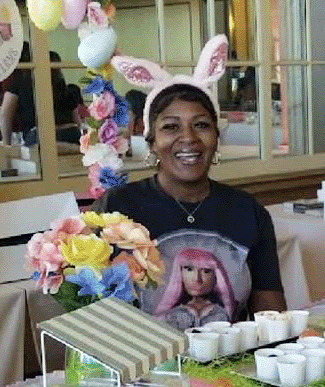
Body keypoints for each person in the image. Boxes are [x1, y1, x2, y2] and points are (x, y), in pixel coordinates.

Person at [94, 34, 286, 328]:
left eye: (201, 125)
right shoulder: (117, 209)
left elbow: (272, 319)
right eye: (171, 127)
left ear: (216, 139)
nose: (189, 138)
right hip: (144, 369)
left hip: (229, 366)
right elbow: (93, 321)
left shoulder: (249, 212)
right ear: (152, 141)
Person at [155, 247, 236, 329]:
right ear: (179, 273)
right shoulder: (172, 313)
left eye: (206, 271)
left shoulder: (221, 311)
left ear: (216, 277)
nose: (197, 279)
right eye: (189, 269)